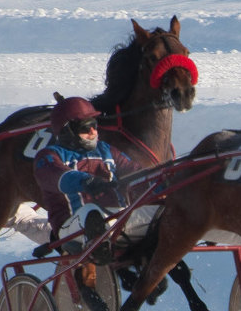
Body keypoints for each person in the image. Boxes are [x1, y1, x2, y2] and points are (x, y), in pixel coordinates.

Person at [33, 96, 156, 265]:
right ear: (67, 131)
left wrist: (161, 178)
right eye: (85, 128)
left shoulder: (106, 150)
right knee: (91, 212)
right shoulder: (48, 156)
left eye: (94, 125)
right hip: (73, 226)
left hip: (115, 219)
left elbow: (135, 171)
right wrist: (87, 181)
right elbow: (57, 175)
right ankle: (99, 254)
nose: (93, 132)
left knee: (161, 212)